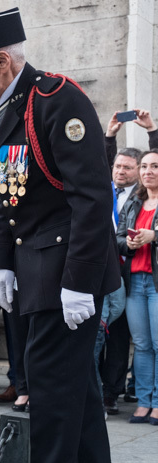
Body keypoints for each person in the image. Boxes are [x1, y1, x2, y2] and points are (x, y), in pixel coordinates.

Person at [0, 7, 124, 463]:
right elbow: (10, 193)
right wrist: (3, 262)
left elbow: (92, 198)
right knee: (76, 384)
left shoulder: (56, 99)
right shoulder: (1, 106)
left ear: (2, 60)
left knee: (48, 387)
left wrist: (79, 282)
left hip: (67, 269)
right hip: (33, 266)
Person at [98, 147, 142, 414]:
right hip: (100, 272)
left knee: (118, 337)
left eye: (127, 167)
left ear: (138, 170)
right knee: (97, 334)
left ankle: (111, 392)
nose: (120, 171)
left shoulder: (142, 196)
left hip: (128, 273)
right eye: (117, 166)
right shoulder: (102, 193)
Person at [117, 148, 158, 424]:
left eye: (154, 166)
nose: (148, 171)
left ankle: (157, 403)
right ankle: (143, 402)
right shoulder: (134, 201)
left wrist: (154, 235)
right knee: (142, 345)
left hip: (156, 283)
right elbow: (118, 236)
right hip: (135, 280)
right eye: (144, 166)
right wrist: (129, 244)